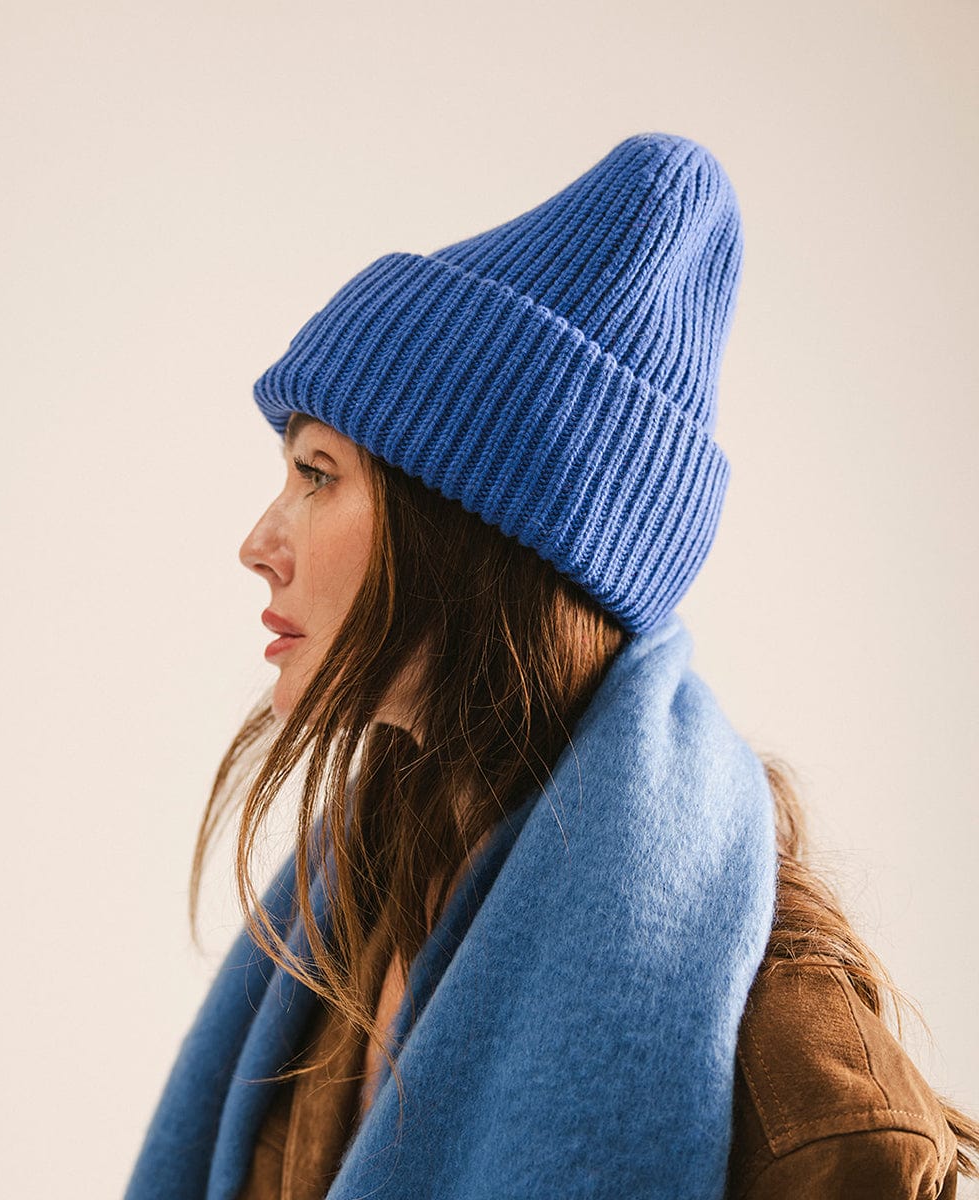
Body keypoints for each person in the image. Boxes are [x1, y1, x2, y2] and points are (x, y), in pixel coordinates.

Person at [125, 134, 977, 1200]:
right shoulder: (357, 903)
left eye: (317, 473)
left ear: (472, 531)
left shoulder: (783, 1071)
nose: (260, 540)